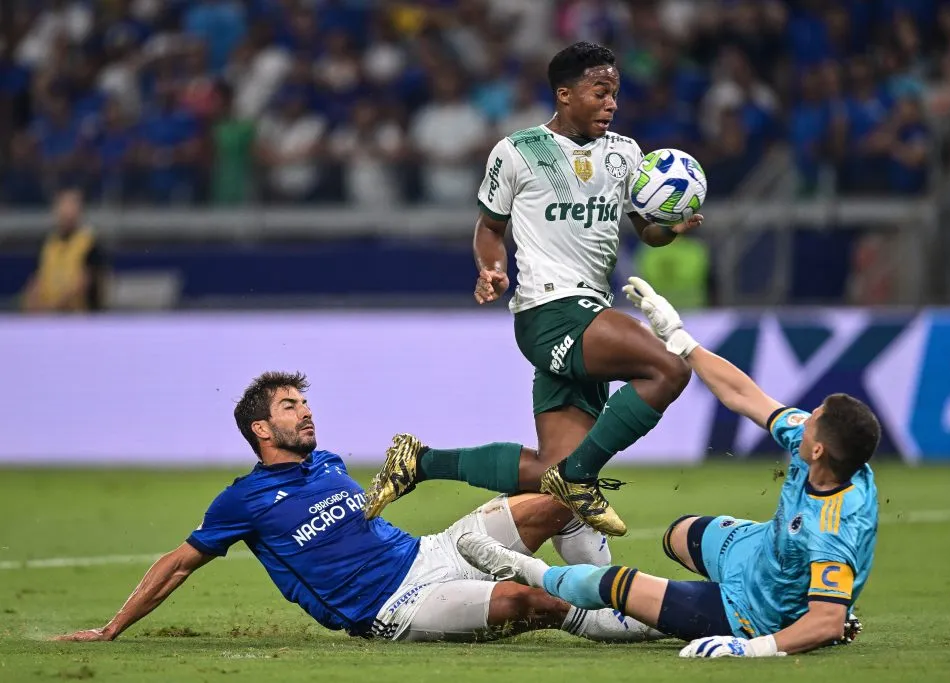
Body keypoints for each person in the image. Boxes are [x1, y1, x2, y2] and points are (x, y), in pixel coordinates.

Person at [363, 42, 703, 537]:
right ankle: (579, 478)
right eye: (600, 92)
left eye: (615, 94)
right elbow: (489, 227)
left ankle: (418, 462)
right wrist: (492, 269)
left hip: (591, 311)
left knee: (550, 471)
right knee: (669, 369)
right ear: (565, 94)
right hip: (550, 310)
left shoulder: (626, 153)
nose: (611, 103)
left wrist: (671, 227)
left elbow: (646, 230)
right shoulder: (518, 151)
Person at [54, 372, 659, 645]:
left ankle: (620, 593)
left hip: (435, 551)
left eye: (304, 403)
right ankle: (639, 621)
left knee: (559, 499)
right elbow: (178, 563)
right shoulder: (242, 500)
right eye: (290, 406)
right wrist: (111, 629)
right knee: (535, 602)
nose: (306, 412)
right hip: (395, 606)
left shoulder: (327, 463)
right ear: (262, 429)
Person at [454, 277, 879, 658]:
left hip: (754, 610)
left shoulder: (835, 527)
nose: (806, 417)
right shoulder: (816, 445)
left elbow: (827, 622)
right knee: (680, 535)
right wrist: (679, 338)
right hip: (759, 551)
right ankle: (697, 607)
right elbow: (744, 395)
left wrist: (755, 648)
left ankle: (527, 570)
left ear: (818, 451)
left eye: (815, 419)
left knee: (611, 585)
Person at [21, 187, 107, 313]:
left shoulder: (90, 243)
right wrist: (33, 302)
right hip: (48, 313)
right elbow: (39, 277)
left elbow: (85, 281)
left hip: (78, 314)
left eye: (72, 206)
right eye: (63, 206)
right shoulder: (49, 243)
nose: (67, 212)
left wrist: (57, 305)